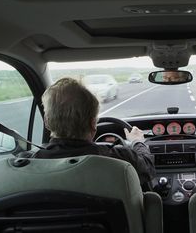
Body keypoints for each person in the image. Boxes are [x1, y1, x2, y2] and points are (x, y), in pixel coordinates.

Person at [23, 77, 155, 186]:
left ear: (47, 121)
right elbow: (147, 168)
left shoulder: (27, 164)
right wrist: (137, 141)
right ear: (93, 124)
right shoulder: (120, 161)